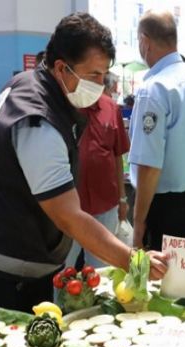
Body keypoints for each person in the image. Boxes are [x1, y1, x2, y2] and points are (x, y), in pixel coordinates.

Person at [0, 13, 167, 312]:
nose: (101, 86)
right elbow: (69, 216)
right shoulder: (38, 123)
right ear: (61, 68)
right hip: (13, 267)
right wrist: (132, 260)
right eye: (93, 76)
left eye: (104, 75)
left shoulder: (24, 84)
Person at [130, 10, 185, 252]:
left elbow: (149, 165)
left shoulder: (155, 89)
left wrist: (138, 222)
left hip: (169, 210)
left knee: (165, 285)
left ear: (145, 42)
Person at [65, 71, 130, 269]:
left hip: (106, 204)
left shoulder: (111, 108)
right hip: (69, 208)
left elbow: (117, 156)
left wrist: (122, 198)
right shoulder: (64, 107)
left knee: (102, 270)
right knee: (63, 270)